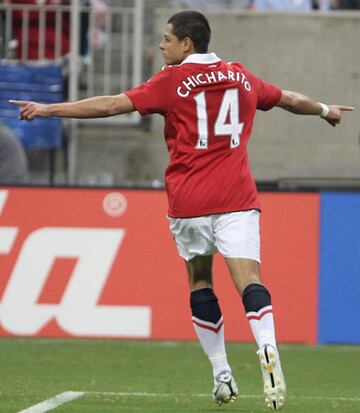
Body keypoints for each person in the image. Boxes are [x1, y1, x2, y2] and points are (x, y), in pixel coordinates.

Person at [10, 10, 353, 411]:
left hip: (190, 202)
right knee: (250, 281)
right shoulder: (241, 76)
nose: (161, 45)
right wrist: (326, 109)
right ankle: (268, 347)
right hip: (237, 199)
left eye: (167, 39)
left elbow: (110, 106)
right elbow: (290, 100)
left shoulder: (172, 82)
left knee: (200, 282)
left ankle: (222, 373)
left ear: (186, 44)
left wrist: (49, 109)